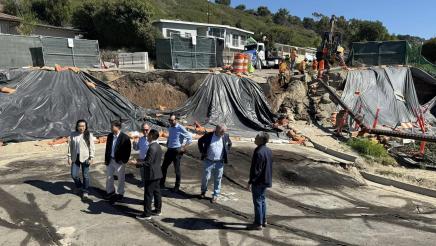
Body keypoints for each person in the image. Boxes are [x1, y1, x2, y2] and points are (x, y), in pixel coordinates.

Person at [198, 124, 232, 203]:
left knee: (218, 179)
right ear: (216, 129)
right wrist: (202, 151)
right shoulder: (209, 135)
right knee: (205, 178)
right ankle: (203, 191)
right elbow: (200, 141)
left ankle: (215, 195)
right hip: (208, 161)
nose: (223, 133)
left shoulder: (225, 136)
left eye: (224, 131)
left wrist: (226, 151)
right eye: (221, 131)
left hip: (219, 162)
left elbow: (230, 144)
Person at [247, 132, 273, 231]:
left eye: (256, 137)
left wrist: (250, 181)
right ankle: (264, 220)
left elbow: (255, 170)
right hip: (266, 180)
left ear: (261, 140)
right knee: (262, 200)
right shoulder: (269, 151)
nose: (254, 138)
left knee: (257, 201)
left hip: (258, 181)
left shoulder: (258, 152)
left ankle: (258, 223)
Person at [160, 114, 192, 192]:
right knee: (163, 167)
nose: (170, 121)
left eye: (172, 120)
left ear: (176, 120)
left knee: (176, 170)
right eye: (169, 120)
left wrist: (184, 148)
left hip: (177, 150)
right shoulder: (170, 127)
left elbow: (190, 138)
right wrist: (168, 142)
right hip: (170, 150)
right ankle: (161, 184)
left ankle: (177, 186)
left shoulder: (180, 128)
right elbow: (170, 136)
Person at [136, 129, 163, 220]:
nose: (147, 136)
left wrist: (136, 163)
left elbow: (148, 163)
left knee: (148, 194)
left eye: (148, 135)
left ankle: (147, 214)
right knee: (157, 193)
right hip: (157, 173)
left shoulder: (151, 147)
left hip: (151, 174)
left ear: (151, 136)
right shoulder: (158, 146)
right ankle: (158, 210)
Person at [67, 119, 95, 199]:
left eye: (83, 126)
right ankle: (79, 186)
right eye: (80, 126)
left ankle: (85, 191)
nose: (81, 128)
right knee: (74, 174)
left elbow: (92, 147)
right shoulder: (73, 134)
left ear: (85, 127)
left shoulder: (88, 135)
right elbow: (70, 146)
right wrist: (69, 157)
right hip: (75, 157)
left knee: (85, 175)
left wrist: (91, 157)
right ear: (77, 126)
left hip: (85, 157)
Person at [104, 120, 131, 201]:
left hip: (119, 161)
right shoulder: (110, 136)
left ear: (118, 127)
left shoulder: (125, 137)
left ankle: (120, 193)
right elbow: (107, 148)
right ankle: (110, 192)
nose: (110, 128)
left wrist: (124, 161)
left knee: (120, 178)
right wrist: (106, 159)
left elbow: (128, 150)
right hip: (110, 160)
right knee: (109, 177)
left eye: (112, 126)